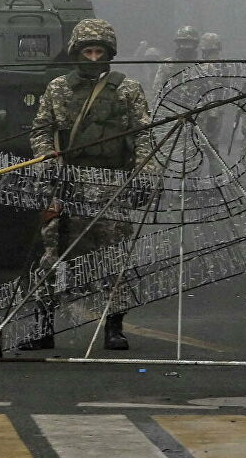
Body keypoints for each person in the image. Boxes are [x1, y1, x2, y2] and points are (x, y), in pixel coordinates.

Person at [18, 18, 156, 352]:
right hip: (68, 184)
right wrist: (48, 165)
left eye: (99, 52)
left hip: (111, 183)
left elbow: (144, 134)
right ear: (77, 52)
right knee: (52, 256)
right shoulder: (58, 88)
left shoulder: (127, 89)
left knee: (113, 257)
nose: (93, 58)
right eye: (88, 51)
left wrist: (145, 175)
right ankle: (44, 327)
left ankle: (114, 327)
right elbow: (41, 130)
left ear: (109, 54)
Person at [153, 24, 201, 92]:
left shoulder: (202, 66)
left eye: (189, 43)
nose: (186, 46)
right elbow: (157, 89)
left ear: (195, 45)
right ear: (178, 44)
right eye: (183, 43)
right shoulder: (167, 64)